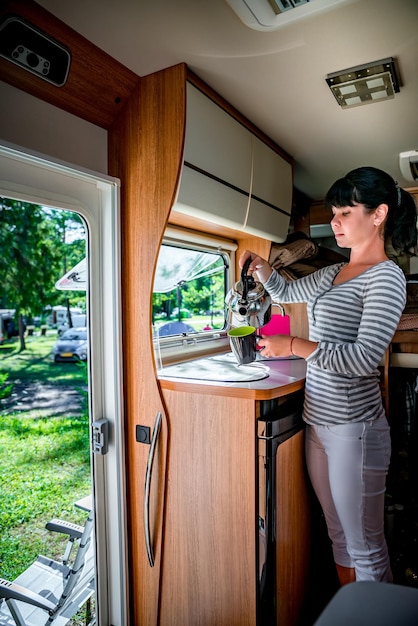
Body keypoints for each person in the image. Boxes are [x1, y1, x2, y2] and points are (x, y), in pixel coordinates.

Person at [240, 166, 417, 586]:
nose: (333, 221)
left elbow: (362, 359)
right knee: (338, 535)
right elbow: (285, 292)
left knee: (367, 547)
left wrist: (294, 346)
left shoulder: (387, 277)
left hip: (354, 430)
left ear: (378, 215)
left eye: (344, 212)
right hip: (318, 421)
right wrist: (264, 269)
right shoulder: (334, 272)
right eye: (333, 212)